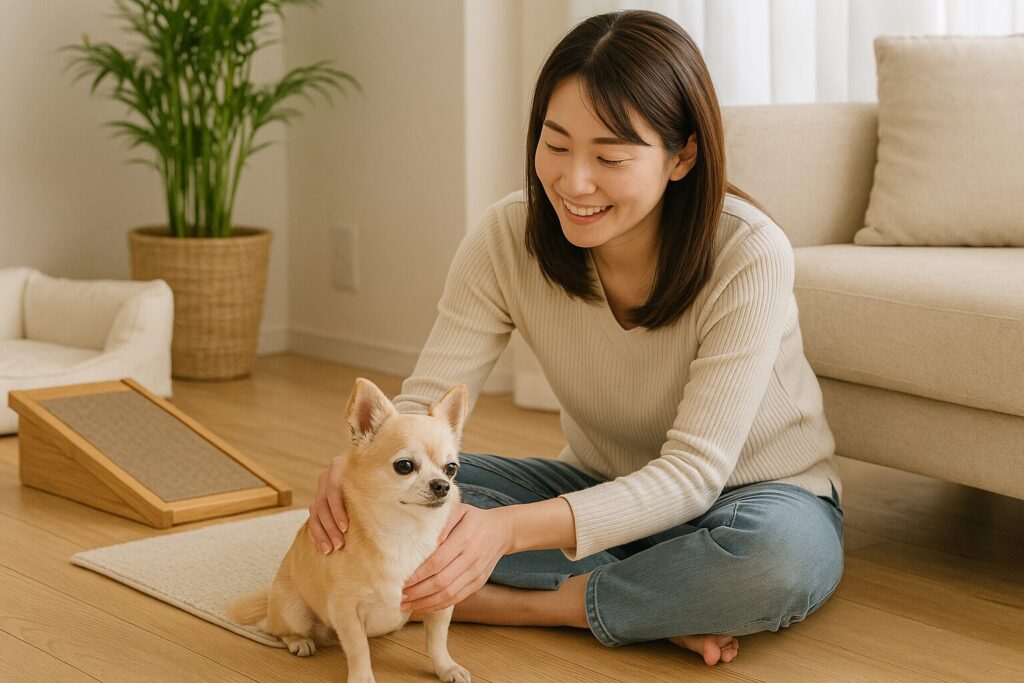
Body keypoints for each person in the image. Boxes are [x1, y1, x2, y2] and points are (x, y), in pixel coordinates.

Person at [306, 9, 844, 667]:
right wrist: (360, 470)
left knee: (779, 561)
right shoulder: (506, 237)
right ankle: (653, 599)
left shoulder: (748, 251)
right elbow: (419, 418)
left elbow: (695, 475)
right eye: (555, 145)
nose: (572, 181)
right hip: (594, 481)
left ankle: (546, 603)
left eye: (610, 157)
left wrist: (504, 533)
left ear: (683, 156)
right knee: (366, 508)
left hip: (753, 499)